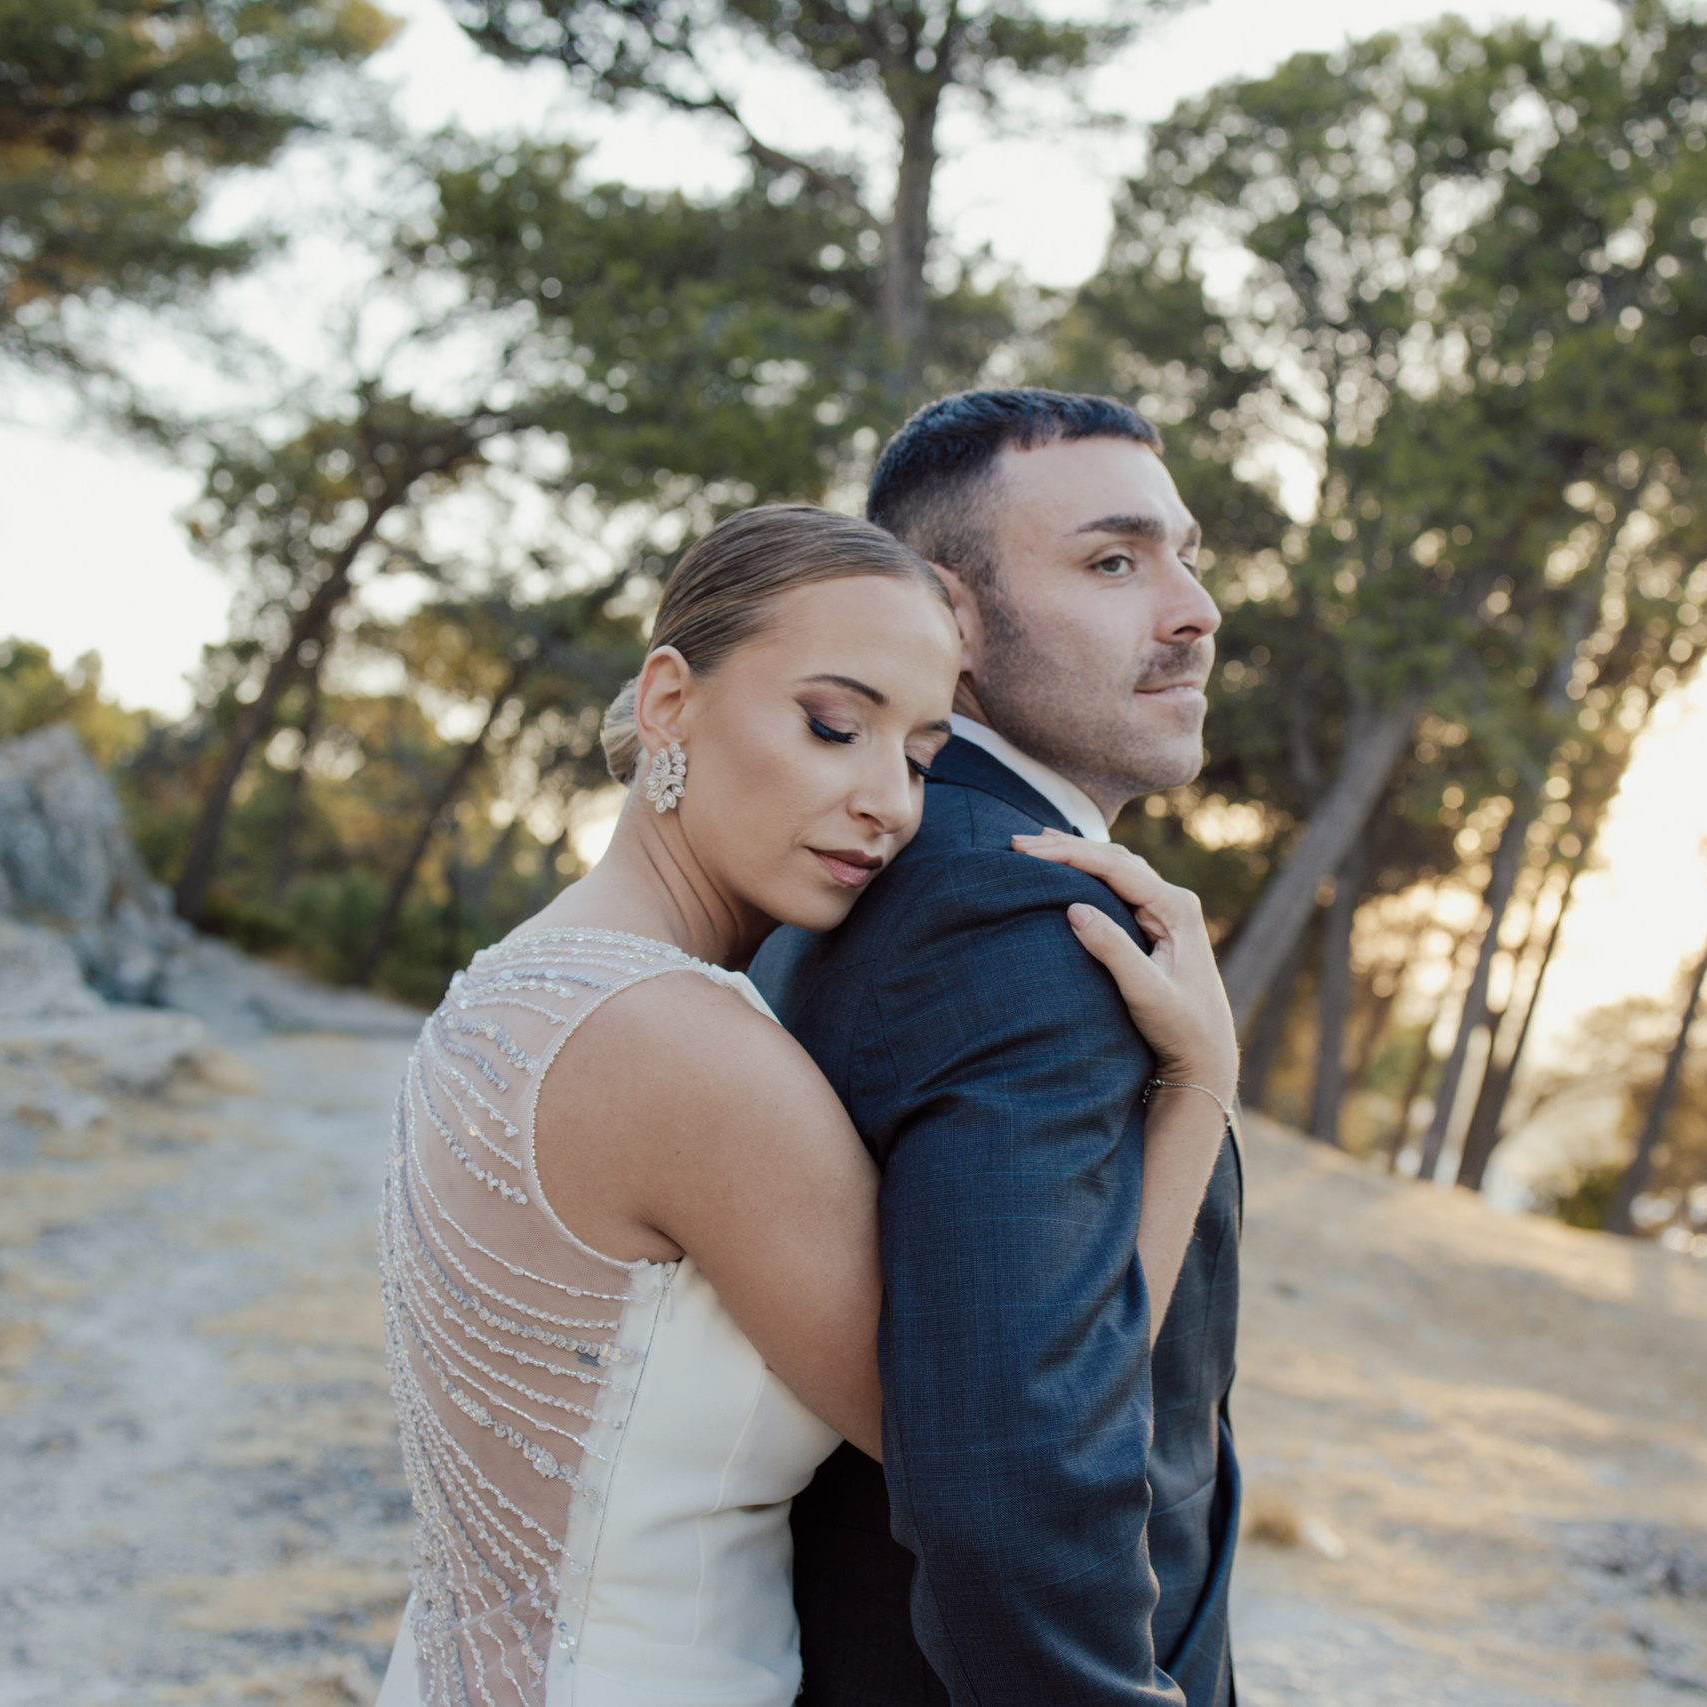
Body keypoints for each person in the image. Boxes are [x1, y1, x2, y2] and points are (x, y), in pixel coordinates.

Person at [375, 501, 1238, 1707]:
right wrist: (1196, 1090)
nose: (890, 802)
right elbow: (1018, 1446)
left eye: (920, 757)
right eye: (833, 726)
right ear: (668, 700)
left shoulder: (517, 980)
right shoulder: (689, 1052)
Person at [753, 390, 1241, 1707]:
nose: (1194, 609)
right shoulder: (1021, 919)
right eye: (1114, 561)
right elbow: (1016, 1485)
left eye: (1185, 554)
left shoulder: (871, 864)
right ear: (947, 615)